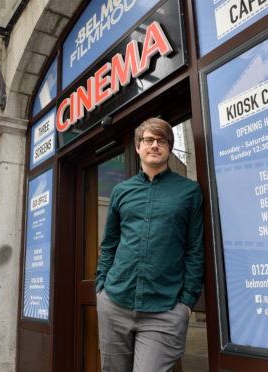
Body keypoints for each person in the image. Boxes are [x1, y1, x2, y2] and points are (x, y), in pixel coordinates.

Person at [95, 118, 204, 372]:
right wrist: (101, 287)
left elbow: (195, 249)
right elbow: (110, 242)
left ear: (169, 147)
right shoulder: (121, 191)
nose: (154, 145)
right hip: (115, 302)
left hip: (164, 310)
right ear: (138, 146)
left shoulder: (189, 191)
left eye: (161, 140)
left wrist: (186, 303)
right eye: (148, 140)